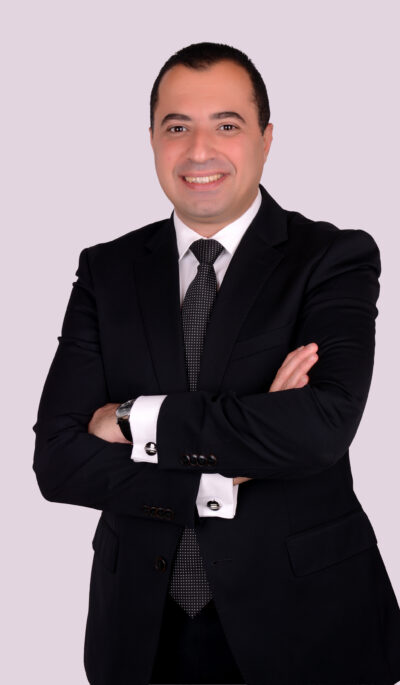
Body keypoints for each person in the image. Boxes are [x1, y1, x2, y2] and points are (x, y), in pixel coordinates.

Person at [32, 42, 400, 685]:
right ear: (152, 140)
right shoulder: (106, 270)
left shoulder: (332, 258)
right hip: (140, 630)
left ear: (266, 139)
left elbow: (320, 428)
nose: (199, 151)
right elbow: (58, 460)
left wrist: (133, 419)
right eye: (177, 128)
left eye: (226, 126)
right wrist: (224, 472)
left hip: (309, 620)